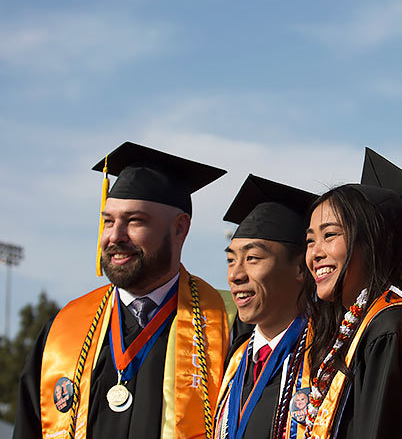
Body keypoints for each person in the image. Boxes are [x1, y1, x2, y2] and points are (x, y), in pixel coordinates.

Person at [14, 141, 230, 439]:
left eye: (134, 221)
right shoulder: (63, 331)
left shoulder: (225, 325)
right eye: (108, 221)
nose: (115, 236)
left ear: (180, 228)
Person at [302, 179, 402, 439]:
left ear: (373, 241)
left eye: (329, 235)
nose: (315, 253)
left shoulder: (393, 328)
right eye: (310, 240)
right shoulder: (353, 328)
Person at [213, 174, 316, 439]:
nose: (235, 275)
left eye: (253, 258)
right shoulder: (233, 361)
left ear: (300, 268)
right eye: (231, 260)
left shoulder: (325, 359)